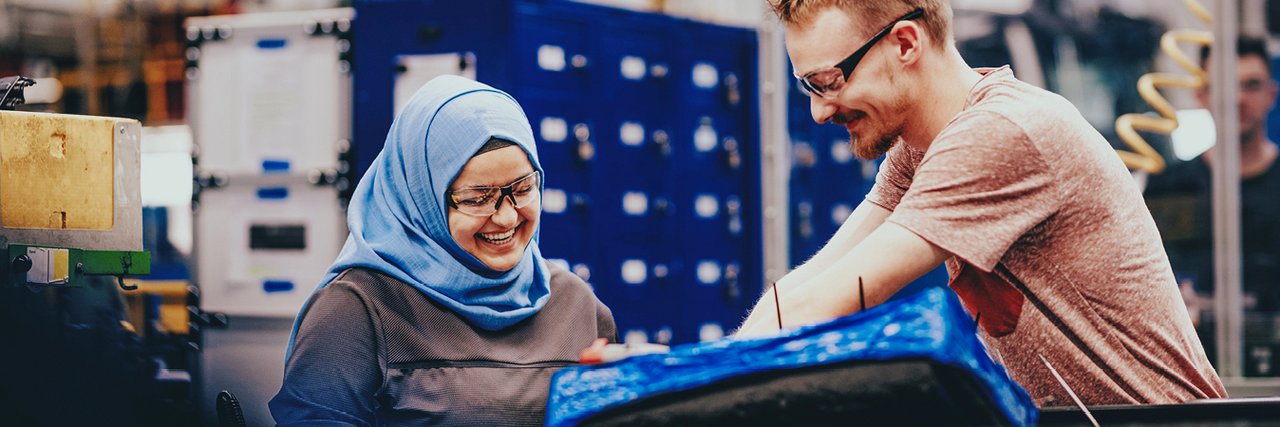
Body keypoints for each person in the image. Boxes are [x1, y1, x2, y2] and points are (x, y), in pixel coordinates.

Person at [736, 0, 1225, 406]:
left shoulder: (1001, 132)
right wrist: (700, 373)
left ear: (906, 43)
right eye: (809, 87)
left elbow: (835, 299)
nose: (819, 112)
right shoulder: (919, 149)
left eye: (830, 81)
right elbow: (813, 280)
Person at [269, 75, 616, 426]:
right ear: (422, 198)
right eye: (477, 198)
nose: (507, 216)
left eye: (523, 188)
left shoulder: (575, 304)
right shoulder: (358, 310)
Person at [1145, 36, 1280, 316]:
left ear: (1271, 94)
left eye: (1251, 85)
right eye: (1224, 86)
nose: (1238, 98)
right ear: (1202, 95)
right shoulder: (1169, 187)